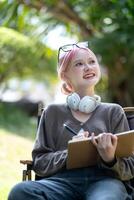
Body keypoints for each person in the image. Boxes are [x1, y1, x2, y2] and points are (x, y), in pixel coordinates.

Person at [8, 41, 134, 200]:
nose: (88, 67)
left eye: (92, 62)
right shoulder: (52, 113)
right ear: (65, 75)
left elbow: (130, 167)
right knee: (20, 191)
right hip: (62, 182)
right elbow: (39, 163)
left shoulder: (113, 112)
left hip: (105, 182)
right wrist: (71, 153)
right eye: (79, 64)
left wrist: (110, 159)